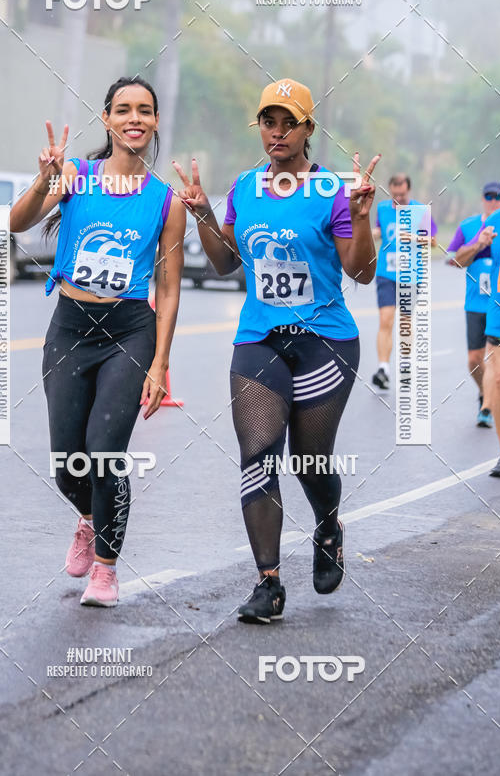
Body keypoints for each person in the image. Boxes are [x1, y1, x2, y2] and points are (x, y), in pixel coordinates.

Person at [173, 77, 380, 624]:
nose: (279, 132)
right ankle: (268, 585)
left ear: (309, 130)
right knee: (258, 455)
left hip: (325, 341)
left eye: (290, 122)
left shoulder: (333, 190)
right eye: (270, 121)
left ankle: (328, 527)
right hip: (259, 339)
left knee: (308, 460)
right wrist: (203, 217)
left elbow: (361, 270)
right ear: (260, 128)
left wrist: (361, 218)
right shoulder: (245, 187)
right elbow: (225, 263)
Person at [9, 76, 186, 607]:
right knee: (69, 465)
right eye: (124, 109)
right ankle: (87, 518)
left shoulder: (164, 201)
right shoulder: (75, 175)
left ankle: (106, 570)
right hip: (69, 328)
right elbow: (16, 223)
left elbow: (171, 290)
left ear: (155, 123)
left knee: (105, 454)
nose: (135, 118)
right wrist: (44, 182)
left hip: (128, 331)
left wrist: (160, 362)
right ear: (107, 120)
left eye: (145, 111)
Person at [453, 195, 500, 478]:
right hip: (499, 312)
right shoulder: (495, 223)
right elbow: (458, 260)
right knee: (499, 378)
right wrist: (479, 245)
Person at [371, 174, 438, 390]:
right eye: (395, 194)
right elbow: (380, 230)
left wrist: (415, 237)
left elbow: (434, 241)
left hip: (411, 274)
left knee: (406, 322)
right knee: (385, 319)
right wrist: (370, 232)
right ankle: (383, 368)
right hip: (386, 272)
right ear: (390, 190)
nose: (398, 198)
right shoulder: (382, 208)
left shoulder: (420, 210)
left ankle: (406, 363)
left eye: (402, 194)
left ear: (408, 190)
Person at [446, 181, 500, 427]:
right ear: (482, 198)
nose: (493, 200)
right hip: (476, 305)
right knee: (474, 360)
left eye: (497, 197)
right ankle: (486, 392)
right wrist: (478, 244)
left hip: (499, 305)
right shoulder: (469, 226)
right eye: (488, 196)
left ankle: (489, 406)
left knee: (496, 362)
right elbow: (453, 260)